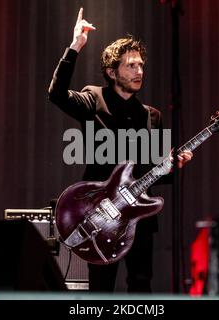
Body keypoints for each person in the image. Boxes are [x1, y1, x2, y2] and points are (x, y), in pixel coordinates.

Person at [48, 8, 192, 292]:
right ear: (112, 72)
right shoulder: (94, 98)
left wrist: (172, 165)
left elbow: (153, 173)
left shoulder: (152, 116)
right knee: (101, 288)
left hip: (138, 218)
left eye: (141, 65)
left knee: (141, 284)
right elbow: (56, 94)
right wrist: (75, 46)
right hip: (99, 213)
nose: (139, 71)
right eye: (131, 66)